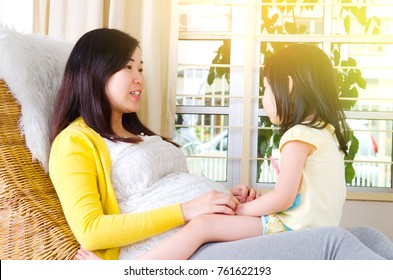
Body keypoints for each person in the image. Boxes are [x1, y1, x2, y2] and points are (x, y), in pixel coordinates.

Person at [49, 28, 393, 261]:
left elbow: (180, 189)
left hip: (216, 230)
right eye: (127, 67)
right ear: (94, 73)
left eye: (141, 67)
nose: (140, 77)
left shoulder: (139, 133)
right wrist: (187, 210)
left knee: (367, 235)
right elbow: (91, 231)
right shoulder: (74, 142)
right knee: (334, 244)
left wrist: (230, 197)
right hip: (176, 252)